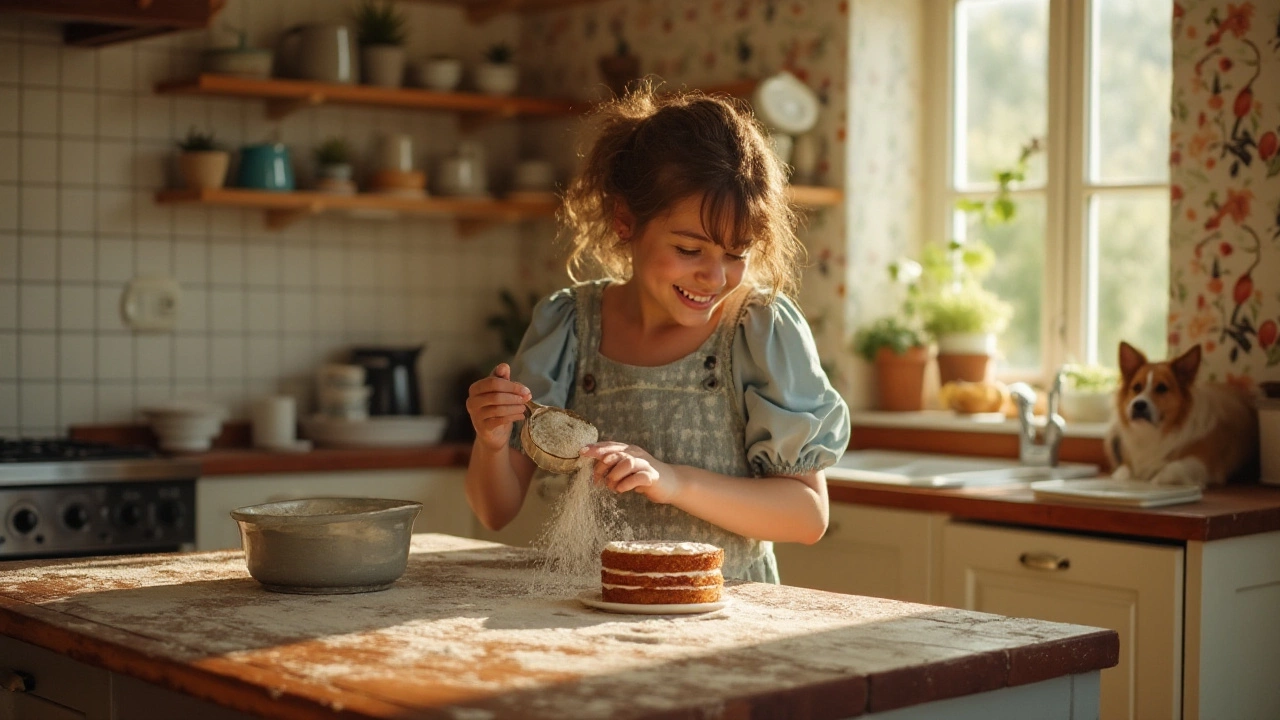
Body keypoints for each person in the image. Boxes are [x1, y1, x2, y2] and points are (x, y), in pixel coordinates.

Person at [464, 85, 850, 583]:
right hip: (592, 610)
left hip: (726, 620)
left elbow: (806, 515)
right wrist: (491, 442)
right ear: (626, 220)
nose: (715, 278)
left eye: (737, 254)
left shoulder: (759, 330)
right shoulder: (568, 327)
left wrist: (672, 481)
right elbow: (495, 511)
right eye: (690, 250)